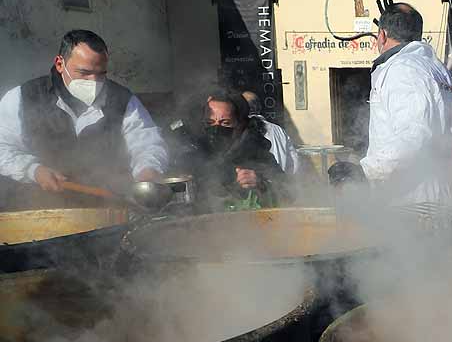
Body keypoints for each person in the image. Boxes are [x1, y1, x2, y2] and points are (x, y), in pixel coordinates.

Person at [0, 29, 167, 207]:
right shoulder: (23, 97)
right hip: (40, 211)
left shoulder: (122, 99)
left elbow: (147, 143)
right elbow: (2, 147)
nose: (93, 81)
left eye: (101, 74)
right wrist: (33, 170)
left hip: (107, 210)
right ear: (59, 64)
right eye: (84, 73)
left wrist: (148, 173)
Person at [359, 1, 452, 204]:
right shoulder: (433, 67)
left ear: (381, 35)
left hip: (409, 200)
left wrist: (364, 171)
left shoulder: (403, 69)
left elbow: (414, 135)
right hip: (435, 191)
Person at [187, 91, 286, 211]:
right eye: (210, 123)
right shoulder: (195, 152)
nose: (216, 129)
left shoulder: (257, 153)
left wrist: (261, 184)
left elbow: (288, 194)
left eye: (226, 123)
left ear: (241, 125)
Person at [242, 90, 301, 175]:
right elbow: (295, 161)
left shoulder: (244, 130)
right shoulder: (278, 130)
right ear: (259, 107)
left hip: (261, 184)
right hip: (281, 183)